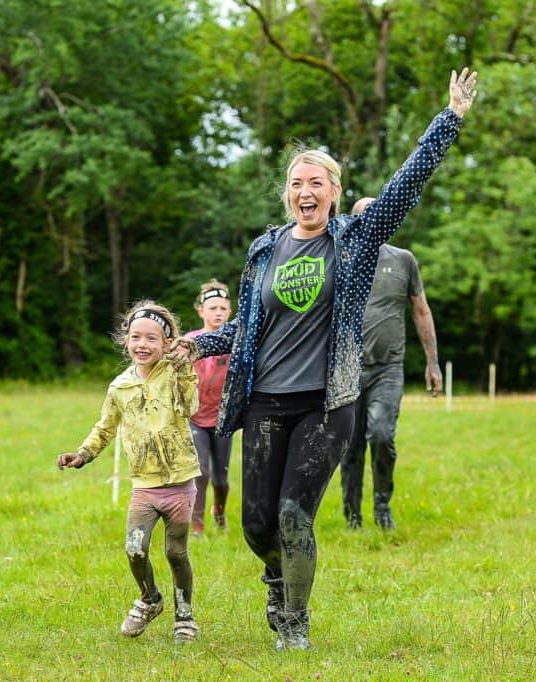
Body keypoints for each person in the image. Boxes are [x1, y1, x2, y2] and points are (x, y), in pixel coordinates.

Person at [173, 67, 478, 650]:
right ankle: (277, 579)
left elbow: (405, 186)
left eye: (316, 182)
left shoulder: (355, 242)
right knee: (257, 526)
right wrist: (198, 342)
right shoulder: (265, 250)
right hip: (263, 402)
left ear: (335, 191)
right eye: (296, 183)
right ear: (286, 192)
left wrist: (450, 118)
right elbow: (244, 326)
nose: (305, 191)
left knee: (293, 516)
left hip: (327, 400)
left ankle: (295, 620)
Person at [56, 301, 202, 643]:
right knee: (135, 549)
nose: (142, 344)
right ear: (125, 341)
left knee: (176, 552)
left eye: (151, 338)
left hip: (180, 482)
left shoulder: (175, 372)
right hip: (145, 486)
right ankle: (150, 599)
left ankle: (185, 615)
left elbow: (190, 407)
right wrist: (82, 454)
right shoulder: (119, 387)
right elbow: (105, 427)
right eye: (135, 337)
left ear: (166, 343)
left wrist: (185, 368)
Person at [338, 197, 442, 531]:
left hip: (388, 367)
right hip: (347, 370)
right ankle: (352, 514)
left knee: (381, 434)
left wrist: (433, 363)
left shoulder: (403, 260)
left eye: (376, 212)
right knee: (349, 447)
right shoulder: (341, 260)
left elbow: (421, 310)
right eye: (362, 215)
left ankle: (382, 506)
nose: (371, 219)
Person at [186, 280, 234, 535]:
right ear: (201, 311)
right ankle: (197, 524)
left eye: (223, 308)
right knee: (201, 470)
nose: (217, 313)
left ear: (230, 311)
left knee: (221, 478)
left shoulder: (236, 343)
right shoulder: (190, 341)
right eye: (212, 307)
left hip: (223, 420)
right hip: (195, 418)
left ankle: (220, 511)